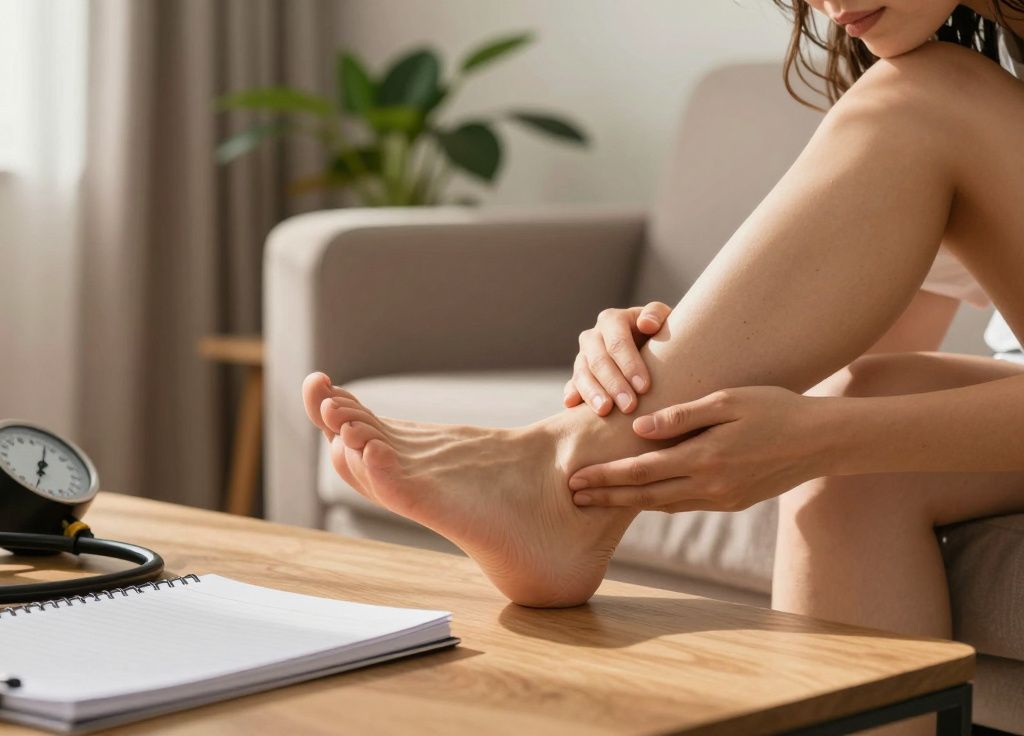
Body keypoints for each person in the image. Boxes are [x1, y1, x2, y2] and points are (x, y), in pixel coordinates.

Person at [300, 0, 1024, 646]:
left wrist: (817, 437)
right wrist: (666, 355)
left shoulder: (955, 93)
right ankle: (565, 465)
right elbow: (852, 353)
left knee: (931, 91)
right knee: (856, 439)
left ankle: (558, 475)